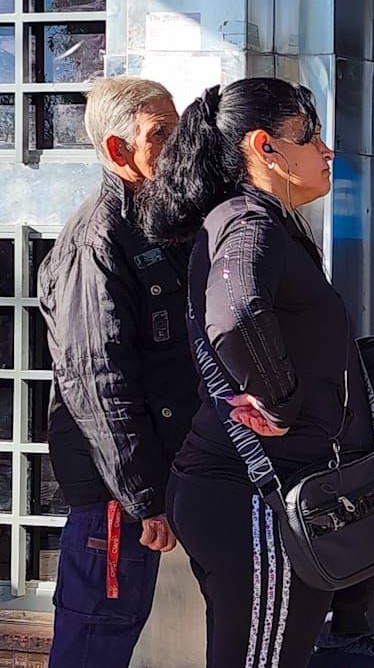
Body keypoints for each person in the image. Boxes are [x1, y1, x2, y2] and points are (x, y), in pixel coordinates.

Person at [137, 78, 374, 668]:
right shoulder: (250, 222)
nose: (326, 149)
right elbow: (237, 313)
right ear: (265, 147)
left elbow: (300, 341)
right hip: (254, 500)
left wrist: (372, 399)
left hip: (265, 497)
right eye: (308, 135)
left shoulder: (264, 222)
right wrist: (280, 402)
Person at [38, 76, 196, 668]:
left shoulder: (153, 222)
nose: (177, 147)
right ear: (117, 148)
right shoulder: (97, 241)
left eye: (179, 130)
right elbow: (98, 381)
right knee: (94, 644)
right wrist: (143, 497)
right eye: (161, 134)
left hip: (144, 485)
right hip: (115, 496)